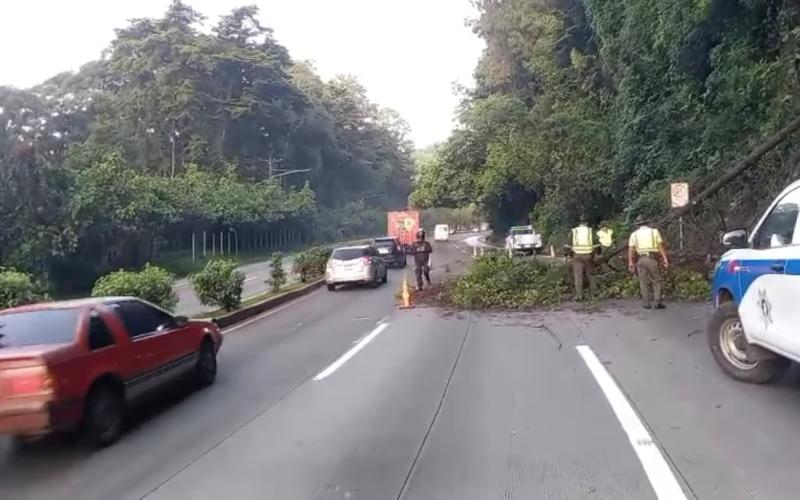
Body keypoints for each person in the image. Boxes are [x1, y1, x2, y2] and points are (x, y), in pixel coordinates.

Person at [628, 216, 670, 309]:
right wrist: (665, 258)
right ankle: (657, 301)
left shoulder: (634, 234)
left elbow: (631, 249)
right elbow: (660, 247)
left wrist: (630, 262)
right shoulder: (654, 232)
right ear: (647, 223)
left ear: (638, 225)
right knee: (656, 280)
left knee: (643, 282)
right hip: (652, 258)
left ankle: (646, 303)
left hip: (641, 259)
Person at [568, 216, 598, 301]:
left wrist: (569, 255)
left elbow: (568, 245)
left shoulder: (574, 231)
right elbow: (596, 245)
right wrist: (596, 254)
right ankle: (594, 295)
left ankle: (579, 296)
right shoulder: (590, 231)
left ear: (579, 222)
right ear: (587, 223)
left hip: (577, 256)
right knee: (591, 275)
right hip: (588, 256)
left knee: (578, 276)